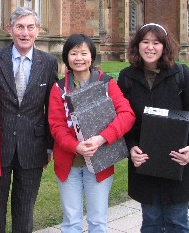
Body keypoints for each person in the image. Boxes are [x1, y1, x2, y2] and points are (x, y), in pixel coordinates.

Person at [117, 23, 189, 233]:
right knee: (151, 223)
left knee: (177, 222)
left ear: (164, 46)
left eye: (156, 43)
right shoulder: (127, 77)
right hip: (145, 162)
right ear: (137, 45)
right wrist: (131, 148)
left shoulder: (181, 73)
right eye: (145, 42)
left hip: (177, 160)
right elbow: (122, 120)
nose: (150, 47)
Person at [48, 33, 135, 233]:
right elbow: (56, 126)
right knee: (71, 221)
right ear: (66, 57)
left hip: (100, 160)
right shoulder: (59, 88)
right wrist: (75, 146)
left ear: (92, 56)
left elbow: (127, 114)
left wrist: (101, 138)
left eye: (84, 53)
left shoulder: (106, 83)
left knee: (97, 221)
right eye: (73, 53)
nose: (79, 58)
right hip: (69, 164)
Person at [0, 7, 59, 233]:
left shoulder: (48, 63)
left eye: (30, 27)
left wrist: (48, 146)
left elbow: (50, 108)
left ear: (38, 31)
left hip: (32, 147)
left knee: (24, 211)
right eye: (20, 27)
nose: (25, 33)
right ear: (10, 30)